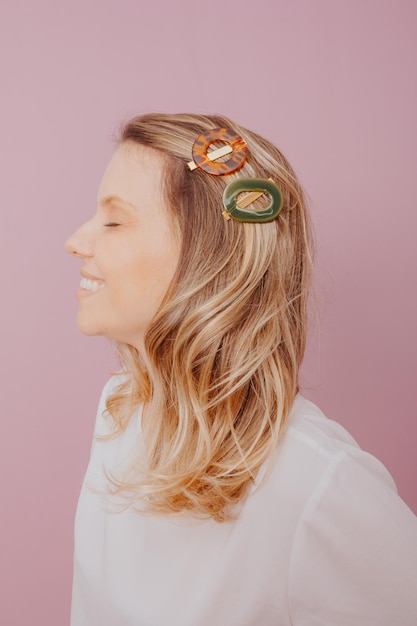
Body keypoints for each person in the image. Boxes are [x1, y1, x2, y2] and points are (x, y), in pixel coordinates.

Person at [65, 113, 417, 626]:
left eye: (115, 221)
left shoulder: (317, 483)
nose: (76, 241)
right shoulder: (119, 413)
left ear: (205, 257)